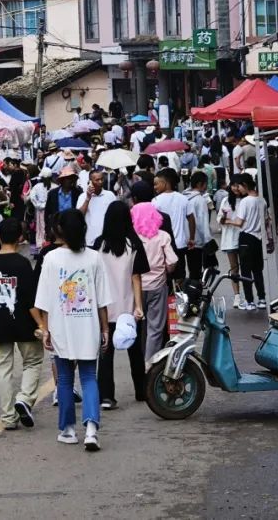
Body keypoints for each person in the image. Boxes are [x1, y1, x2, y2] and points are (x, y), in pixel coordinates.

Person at [34, 209, 112, 451]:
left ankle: (68, 429)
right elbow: (101, 300)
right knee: (89, 378)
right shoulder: (94, 257)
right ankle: (91, 429)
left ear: (60, 230)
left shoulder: (51, 258)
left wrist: (45, 329)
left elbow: (45, 300)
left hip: (61, 326)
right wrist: (105, 329)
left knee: (65, 379)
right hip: (89, 325)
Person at [0, 217, 44, 431]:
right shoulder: (23, 264)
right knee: (32, 362)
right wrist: (41, 324)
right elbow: (31, 301)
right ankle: (24, 398)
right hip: (24, 324)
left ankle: (8, 417)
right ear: (20, 238)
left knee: (3, 368)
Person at [92, 201, 149, 408]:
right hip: (128, 308)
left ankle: (106, 396)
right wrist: (139, 306)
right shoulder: (133, 244)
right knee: (135, 352)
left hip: (105, 309)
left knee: (105, 353)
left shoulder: (98, 245)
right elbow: (136, 278)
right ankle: (142, 391)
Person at [131, 201, 178, 362]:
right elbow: (171, 261)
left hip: (135, 288)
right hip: (158, 286)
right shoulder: (163, 236)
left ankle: (136, 360)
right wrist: (165, 270)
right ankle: (150, 363)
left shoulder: (132, 238)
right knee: (155, 328)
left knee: (135, 325)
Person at [226, 174, 269, 310]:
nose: (238, 189)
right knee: (258, 270)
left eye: (239, 186)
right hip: (258, 238)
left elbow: (239, 222)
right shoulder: (262, 200)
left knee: (245, 271)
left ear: (245, 184)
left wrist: (227, 221)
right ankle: (262, 299)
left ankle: (249, 301)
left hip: (246, 237)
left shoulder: (245, 201)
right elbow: (267, 221)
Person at [153, 168, 195, 266]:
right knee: (180, 274)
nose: (155, 187)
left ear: (165, 183)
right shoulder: (183, 199)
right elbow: (191, 219)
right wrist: (192, 238)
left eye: (156, 184)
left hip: (163, 244)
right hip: (180, 244)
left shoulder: (155, 201)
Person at [183, 171, 213, 280]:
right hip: (196, 241)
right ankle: (194, 293)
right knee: (195, 271)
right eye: (206, 183)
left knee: (189, 269)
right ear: (201, 184)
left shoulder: (183, 197)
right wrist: (208, 241)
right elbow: (202, 222)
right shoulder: (200, 200)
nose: (206, 186)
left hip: (183, 240)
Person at [77, 169, 116, 250]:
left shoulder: (110, 195)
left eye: (102, 179)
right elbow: (79, 216)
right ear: (90, 181)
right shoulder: (83, 196)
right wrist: (88, 198)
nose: (101, 182)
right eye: (97, 180)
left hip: (107, 240)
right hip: (89, 240)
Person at [44, 163, 82, 239]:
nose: (69, 180)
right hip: (56, 226)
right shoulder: (52, 193)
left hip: (72, 226)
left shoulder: (78, 193)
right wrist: (48, 229)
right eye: (67, 178)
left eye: (71, 178)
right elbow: (47, 212)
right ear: (62, 180)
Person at [29, 168, 51, 249]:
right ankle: (48, 245)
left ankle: (36, 251)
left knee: (37, 230)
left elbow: (32, 198)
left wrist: (39, 205)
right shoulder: (53, 186)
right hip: (49, 211)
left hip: (38, 211)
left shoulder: (36, 186)